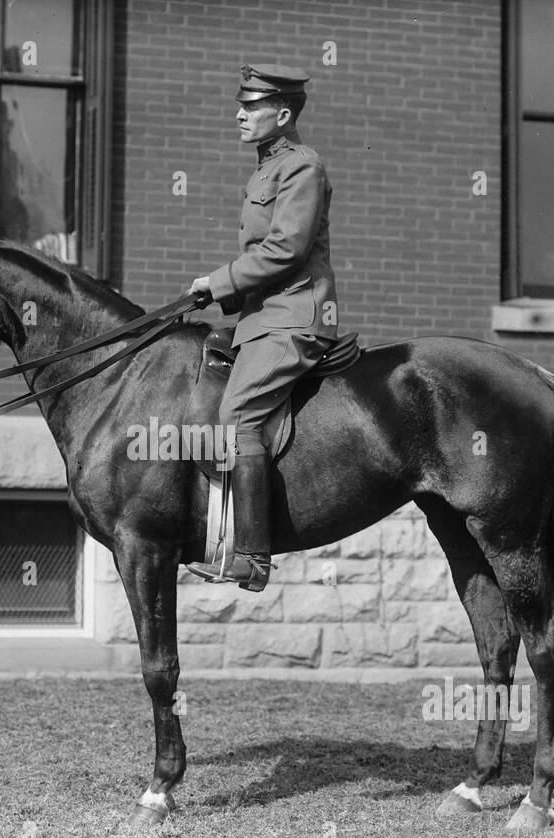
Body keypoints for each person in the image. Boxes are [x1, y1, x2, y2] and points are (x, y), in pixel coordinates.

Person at [185, 63, 338, 592]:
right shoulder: (265, 169)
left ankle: (253, 558)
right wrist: (217, 290)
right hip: (262, 319)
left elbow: (285, 250)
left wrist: (219, 279)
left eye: (251, 107)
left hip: (295, 317)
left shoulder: (302, 169)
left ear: (284, 112)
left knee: (239, 416)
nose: (240, 114)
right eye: (242, 105)